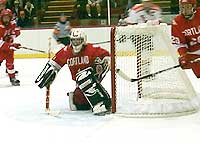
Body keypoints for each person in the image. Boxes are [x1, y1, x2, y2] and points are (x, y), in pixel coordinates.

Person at [35, 29, 111, 115]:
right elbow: (54, 63)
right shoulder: (66, 51)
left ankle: (101, 102)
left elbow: (106, 55)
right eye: (74, 40)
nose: (76, 42)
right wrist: (49, 72)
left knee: (84, 77)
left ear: (84, 40)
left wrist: (105, 61)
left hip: (93, 75)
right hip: (80, 81)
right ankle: (75, 95)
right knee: (81, 105)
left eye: (78, 40)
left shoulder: (91, 49)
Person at [172, 0, 200, 77]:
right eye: (182, 7)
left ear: (194, 6)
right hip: (194, 55)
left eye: (187, 7)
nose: (184, 10)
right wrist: (184, 56)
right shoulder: (177, 22)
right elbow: (179, 43)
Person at [0, 9, 21, 86]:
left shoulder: (12, 24)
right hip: (1, 49)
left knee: (10, 63)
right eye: (4, 17)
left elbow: (12, 34)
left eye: (7, 17)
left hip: (8, 48)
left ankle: (12, 78)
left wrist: (14, 36)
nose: (6, 19)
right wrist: (10, 45)